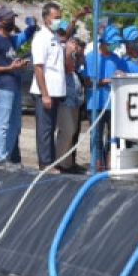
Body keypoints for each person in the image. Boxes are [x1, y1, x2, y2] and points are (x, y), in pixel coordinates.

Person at [0, 7, 29, 166]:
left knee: (16, 124)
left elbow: (11, 60)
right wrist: (8, 69)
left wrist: (19, 65)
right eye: (9, 19)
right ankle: (1, 158)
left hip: (15, 85)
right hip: (3, 86)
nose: (12, 21)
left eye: (12, 18)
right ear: (1, 20)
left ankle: (8, 155)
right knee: (3, 123)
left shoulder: (10, 39)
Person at [31, 1, 66, 169]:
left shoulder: (55, 37)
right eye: (56, 18)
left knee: (51, 128)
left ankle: (50, 161)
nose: (59, 20)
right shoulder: (41, 38)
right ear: (46, 19)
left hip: (56, 91)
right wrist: (44, 93)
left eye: (60, 17)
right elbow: (39, 67)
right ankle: (44, 163)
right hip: (45, 92)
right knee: (44, 129)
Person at [85, 26, 121, 169]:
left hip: (113, 104)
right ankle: (96, 165)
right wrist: (105, 81)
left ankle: (110, 165)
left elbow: (123, 74)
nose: (114, 46)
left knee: (112, 136)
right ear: (104, 42)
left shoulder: (116, 58)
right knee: (96, 137)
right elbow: (87, 81)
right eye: (112, 43)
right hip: (95, 103)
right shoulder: (91, 57)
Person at [56, 33, 86, 172]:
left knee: (72, 132)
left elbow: (78, 64)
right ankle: (61, 163)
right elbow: (67, 64)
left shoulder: (74, 54)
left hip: (75, 101)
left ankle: (68, 163)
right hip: (65, 100)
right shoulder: (61, 51)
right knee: (66, 131)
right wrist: (69, 51)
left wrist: (79, 53)